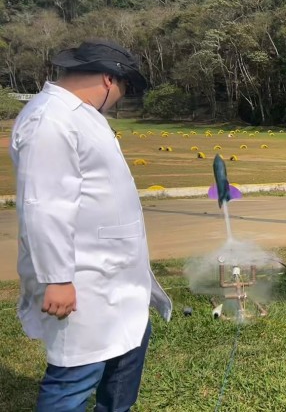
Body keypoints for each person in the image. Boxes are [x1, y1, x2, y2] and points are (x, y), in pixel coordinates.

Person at [9, 39, 172, 410]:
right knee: (75, 375)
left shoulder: (80, 115)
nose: (120, 99)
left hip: (117, 276)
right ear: (108, 80)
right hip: (83, 277)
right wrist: (58, 278)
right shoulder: (50, 119)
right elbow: (44, 203)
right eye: (124, 89)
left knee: (125, 359)